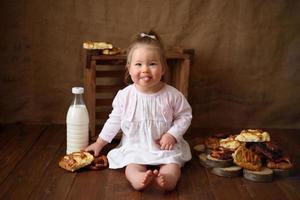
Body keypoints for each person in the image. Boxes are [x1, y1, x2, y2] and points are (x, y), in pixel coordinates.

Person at [85, 31, 192, 191]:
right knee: (131, 165)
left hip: (164, 147)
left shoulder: (172, 95)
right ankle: (138, 178)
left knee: (172, 164)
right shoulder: (125, 96)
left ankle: (168, 179)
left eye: (152, 64)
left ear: (163, 68)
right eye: (138, 64)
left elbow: (184, 116)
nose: (145, 70)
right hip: (136, 145)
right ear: (129, 69)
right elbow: (114, 121)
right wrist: (99, 143)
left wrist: (172, 135)